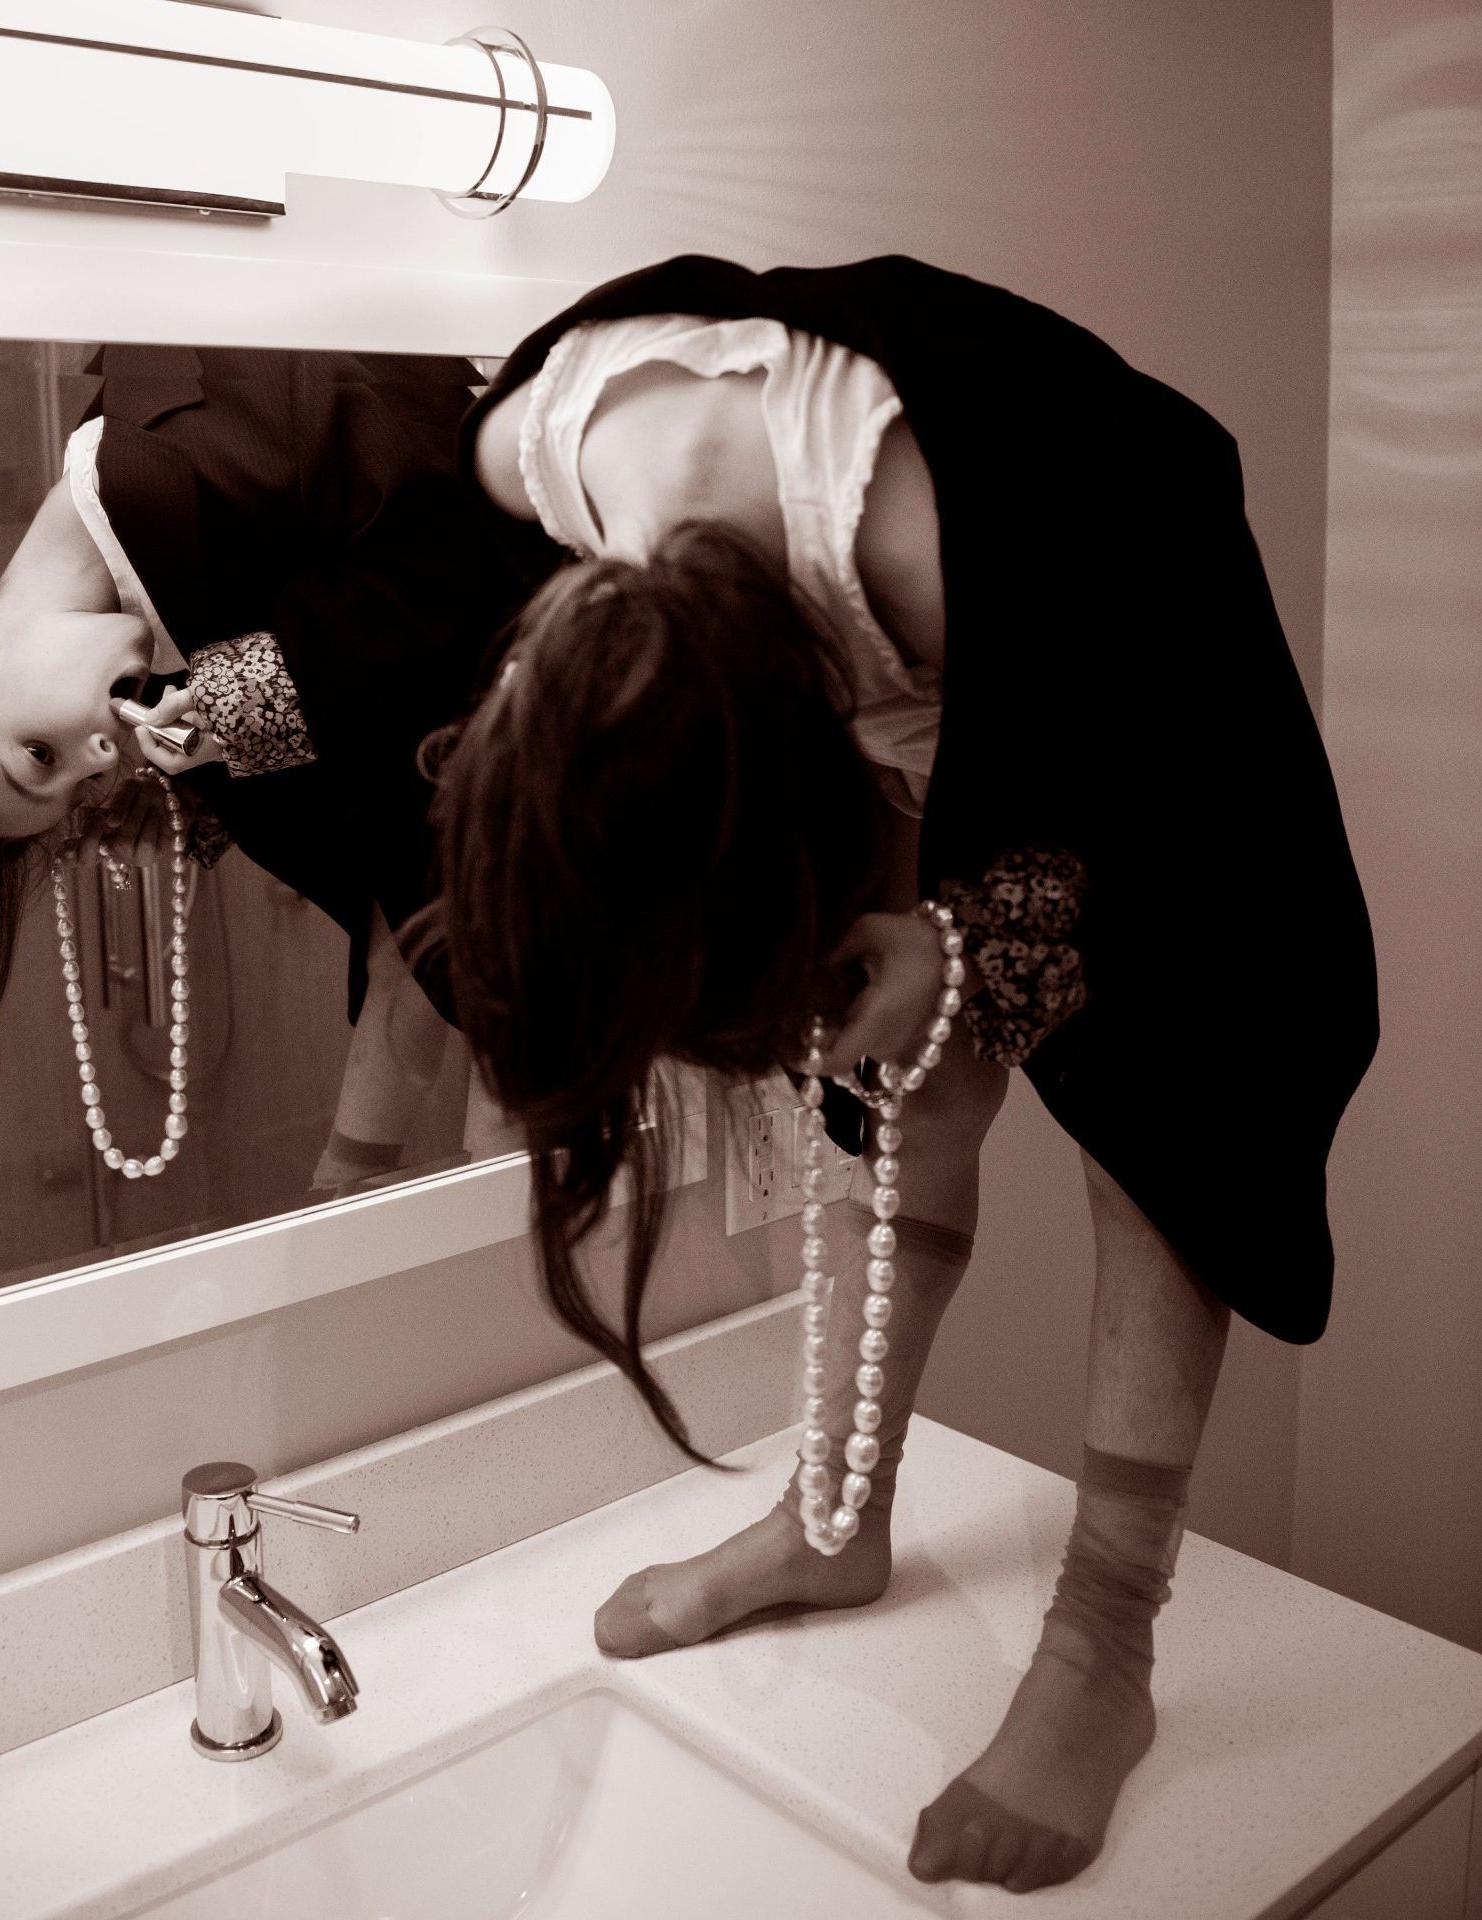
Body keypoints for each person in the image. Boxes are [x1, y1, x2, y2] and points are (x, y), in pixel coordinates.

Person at [430, 253, 1379, 1895]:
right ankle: (832, 1517)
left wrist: (957, 947)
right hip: (838, 633)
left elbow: (1203, 899)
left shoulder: (1013, 562)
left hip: (1118, 607)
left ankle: (1105, 1644)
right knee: (898, 1089)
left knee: (1163, 1110)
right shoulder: (530, 449)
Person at [0, 345, 556, 1178]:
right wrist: (354, 1167)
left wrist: (258, 696)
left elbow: (464, 530)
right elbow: (401, 876)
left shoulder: (190, 415)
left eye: (36, 754)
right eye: (78, 786)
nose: (102, 760)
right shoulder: (178, 661)